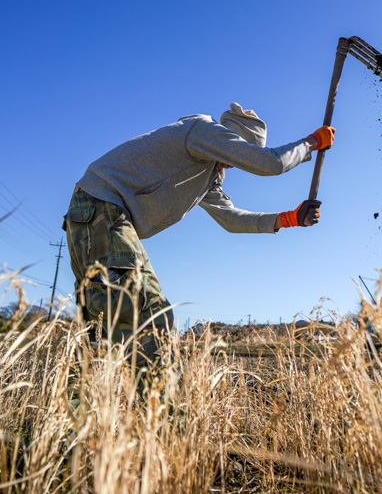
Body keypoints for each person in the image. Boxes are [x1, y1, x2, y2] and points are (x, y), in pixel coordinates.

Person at [63, 102, 334, 363]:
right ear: (231, 141)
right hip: (103, 209)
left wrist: (290, 219)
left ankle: (81, 406)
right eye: (239, 153)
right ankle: (160, 408)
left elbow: (231, 219)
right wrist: (311, 142)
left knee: (99, 324)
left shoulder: (206, 173)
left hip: (93, 215)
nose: (235, 164)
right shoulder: (201, 130)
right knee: (151, 317)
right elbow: (271, 164)